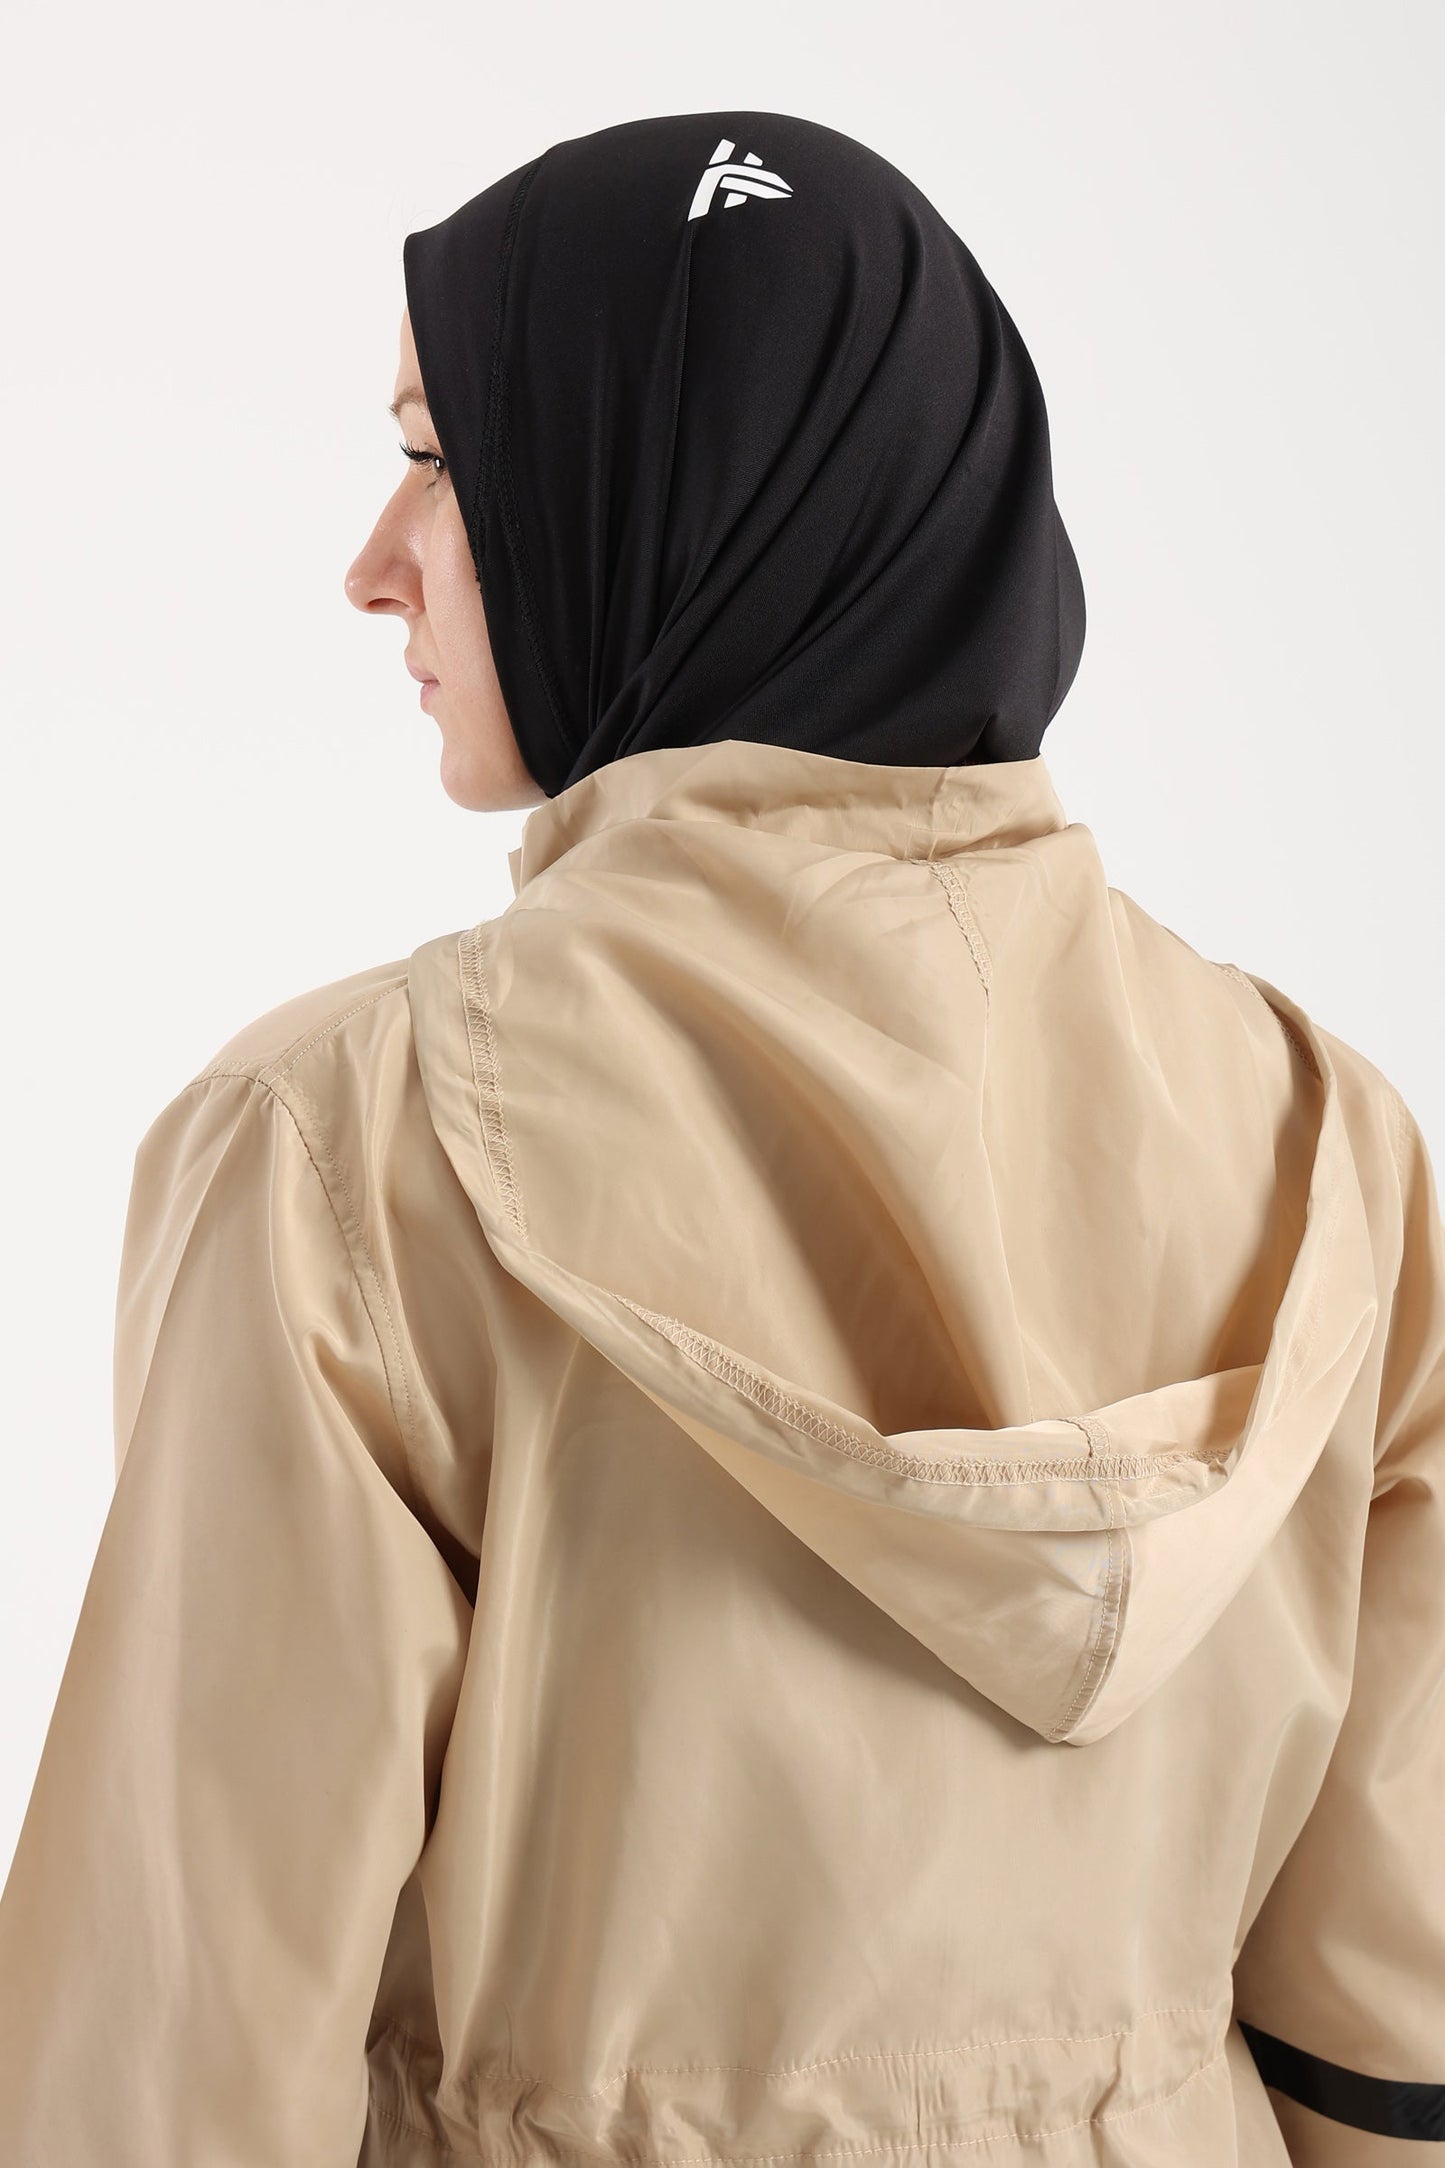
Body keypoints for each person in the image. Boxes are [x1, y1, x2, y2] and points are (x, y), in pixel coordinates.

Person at [0, 108, 1440, 2168]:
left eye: (440, 456)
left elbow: (168, 2081)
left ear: (659, 488)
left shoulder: (348, 1153)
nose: (374, 560)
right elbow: (1386, 2037)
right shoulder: (1326, 1144)